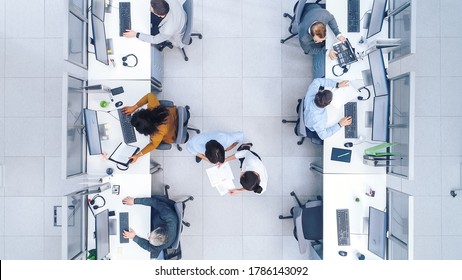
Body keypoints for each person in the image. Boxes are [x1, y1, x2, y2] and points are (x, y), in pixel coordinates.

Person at [122, 93, 177, 163]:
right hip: (174, 115)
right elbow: (150, 95)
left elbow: (153, 145)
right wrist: (134, 107)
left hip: (173, 131)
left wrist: (138, 155)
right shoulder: (153, 107)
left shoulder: (157, 133)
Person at [297, 3, 345, 78]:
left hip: (314, 9)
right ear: (311, 35)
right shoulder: (304, 37)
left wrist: (338, 34)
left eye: (323, 39)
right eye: (317, 40)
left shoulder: (324, 14)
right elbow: (308, 50)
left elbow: (331, 18)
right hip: (307, 10)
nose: (321, 42)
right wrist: (326, 52)